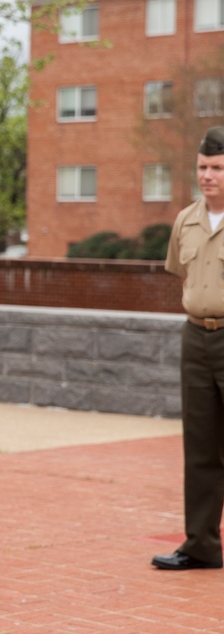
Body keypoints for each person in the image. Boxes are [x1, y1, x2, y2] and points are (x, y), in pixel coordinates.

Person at [155, 126, 224, 572]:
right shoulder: (186, 220)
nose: (208, 176)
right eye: (202, 167)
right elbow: (182, 274)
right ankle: (200, 543)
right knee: (200, 447)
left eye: (217, 168)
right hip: (196, 337)